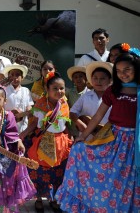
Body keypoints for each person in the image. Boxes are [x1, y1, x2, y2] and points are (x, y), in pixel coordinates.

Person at [56, 49, 140, 212]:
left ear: (136, 68)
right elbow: (97, 116)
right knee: (81, 152)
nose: (123, 74)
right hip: (113, 140)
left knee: (128, 180)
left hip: (134, 144)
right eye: (119, 71)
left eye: (127, 70)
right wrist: (84, 136)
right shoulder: (113, 90)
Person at [0, 86, 36, 212]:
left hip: (5, 156)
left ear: (5, 101)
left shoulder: (9, 116)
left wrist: (18, 141)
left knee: (4, 184)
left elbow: (13, 134)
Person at [20, 72, 73, 211]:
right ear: (47, 90)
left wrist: (71, 137)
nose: (59, 91)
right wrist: (23, 134)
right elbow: (34, 123)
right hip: (42, 140)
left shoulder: (64, 104)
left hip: (60, 142)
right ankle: (38, 198)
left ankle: (55, 198)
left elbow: (65, 125)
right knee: (38, 171)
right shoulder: (41, 103)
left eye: (61, 88)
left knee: (58, 172)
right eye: (55, 88)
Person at [69, 61, 112, 135]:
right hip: (86, 137)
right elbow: (72, 112)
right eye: (95, 78)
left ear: (110, 80)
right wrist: (79, 123)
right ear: (91, 80)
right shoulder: (85, 96)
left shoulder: (114, 98)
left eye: (102, 78)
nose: (98, 81)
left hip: (107, 137)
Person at [4, 63, 34, 133]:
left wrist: (29, 111)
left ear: (22, 77)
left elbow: (29, 106)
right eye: (12, 75)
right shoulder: (4, 90)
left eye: (17, 75)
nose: (15, 77)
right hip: (6, 126)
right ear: (8, 77)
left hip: (22, 128)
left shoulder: (26, 90)